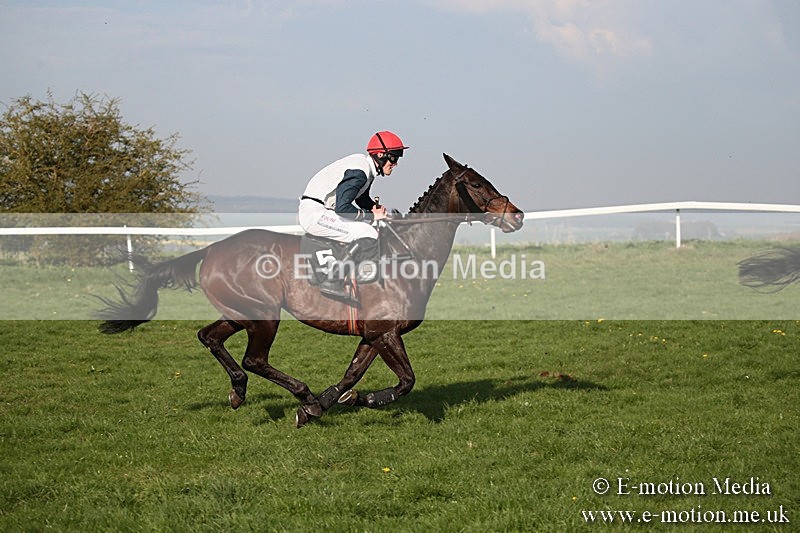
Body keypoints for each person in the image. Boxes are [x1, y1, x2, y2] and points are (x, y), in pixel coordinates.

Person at [299, 131, 408, 303]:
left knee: (370, 227)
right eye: (394, 158)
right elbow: (343, 208)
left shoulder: (366, 167)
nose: (396, 164)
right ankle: (333, 280)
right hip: (315, 213)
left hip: (322, 210)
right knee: (368, 232)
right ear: (381, 155)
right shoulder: (360, 172)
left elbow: (360, 198)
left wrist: (374, 209)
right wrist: (372, 215)